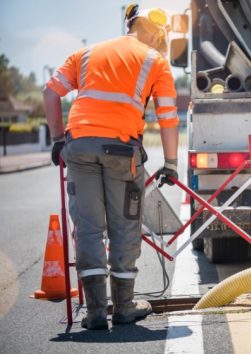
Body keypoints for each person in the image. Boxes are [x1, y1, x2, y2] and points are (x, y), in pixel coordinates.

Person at [43, 4, 179, 330]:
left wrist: (58, 139)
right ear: (155, 31)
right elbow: (168, 117)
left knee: (88, 228)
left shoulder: (86, 54)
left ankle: (94, 313)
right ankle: (124, 307)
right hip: (122, 150)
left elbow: (50, 94)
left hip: (79, 147)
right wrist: (171, 163)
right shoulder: (155, 62)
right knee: (124, 227)